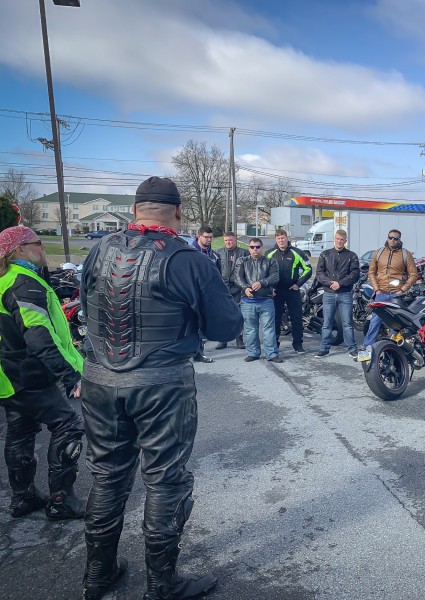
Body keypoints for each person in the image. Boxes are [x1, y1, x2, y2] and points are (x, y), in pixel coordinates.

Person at [80, 176, 242, 600]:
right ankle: (161, 586)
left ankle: (97, 576)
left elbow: (86, 305)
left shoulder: (98, 249)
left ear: (135, 210)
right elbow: (226, 326)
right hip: (160, 384)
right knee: (165, 482)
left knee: (107, 477)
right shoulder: (188, 259)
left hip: (99, 378)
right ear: (179, 213)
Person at [0, 226, 86, 521]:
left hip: (9, 374)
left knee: (20, 430)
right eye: (37, 243)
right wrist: (69, 374)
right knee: (68, 425)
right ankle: (61, 501)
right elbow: (38, 335)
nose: (43, 248)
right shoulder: (23, 282)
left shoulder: (7, 278)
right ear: (20, 249)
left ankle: (23, 498)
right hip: (27, 372)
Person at [363, 228, 419, 348]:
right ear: (387, 238)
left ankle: (391, 347)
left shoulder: (406, 254)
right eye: (390, 237)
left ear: (399, 240)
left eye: (395, 238)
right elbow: (371, 272)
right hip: (381, 293)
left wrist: (403, 290)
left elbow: (414, 274)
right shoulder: (378, 252)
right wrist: (376, 289)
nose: (393, 240)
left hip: (397, 294)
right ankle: (368, 347)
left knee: (397, 323)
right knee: (375, 321)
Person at [235, 237, 282, 363]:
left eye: (257, 247)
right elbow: (237, 277)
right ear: (249, 248)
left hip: (265, 300)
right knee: (250, 329)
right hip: (247, 301)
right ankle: (253, 353)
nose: (255, 249)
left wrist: (262, 282)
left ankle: (271, 354)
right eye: (252, 247)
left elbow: (275, 277)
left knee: (269, 329)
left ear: (262, 248)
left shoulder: (270, 261)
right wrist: (245, 288)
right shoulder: (242, 261)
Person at [315, 229, 360, 358]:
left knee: (347, 323)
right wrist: (330, 283)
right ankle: (324, 349)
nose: (339, 241)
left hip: (345, 293)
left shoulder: (352, 256)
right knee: (327, 323)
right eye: (337, 239)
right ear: (334, 239)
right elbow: (319, 273)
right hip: (329, 293)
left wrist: (340, 283)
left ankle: (352, 349)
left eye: (342, 240)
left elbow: (355, 274)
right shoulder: (325, 254)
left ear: (345, 241)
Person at [268, 229, 312, 353]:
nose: (281, 240)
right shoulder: (269, 253)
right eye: (278, 238)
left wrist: (298, 284)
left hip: (292, 290)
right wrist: (270, 288)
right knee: (275, 318)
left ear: (287, 238)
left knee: (296, 317)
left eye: (283, 238)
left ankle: (298, 344)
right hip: (276, 291)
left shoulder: (297, 252)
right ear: (276, 240)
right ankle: (274, 344)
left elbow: (308, 269)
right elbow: (264, 271)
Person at [191, 226, 220, 363]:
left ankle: (199, 352)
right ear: (199, 236)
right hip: (191, 294)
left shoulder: (214, 255)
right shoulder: (189, 252)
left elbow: (218, 276)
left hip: (208, 295)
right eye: (206, 237)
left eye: (211, 237)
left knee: (203, 324)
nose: (209, 240)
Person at [215, 231, 248, 350]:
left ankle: (239, 338)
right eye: (226, 241)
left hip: (238, 287)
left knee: (238, 314)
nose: (228, 242)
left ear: (235, 240)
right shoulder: (218, 252)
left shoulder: (244, 253)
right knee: (223, 315)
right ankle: (223, 339)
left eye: (230, 240)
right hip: (223, 287)